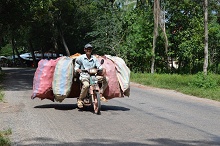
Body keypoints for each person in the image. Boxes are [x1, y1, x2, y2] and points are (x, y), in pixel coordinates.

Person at [74, 43, 108, 108]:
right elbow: (76, 66)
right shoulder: (80, 58)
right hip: (84, 76)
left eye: (90, 49)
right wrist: (78, 70)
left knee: (106, 79)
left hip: (93, 76)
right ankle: (80, 100)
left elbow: (99, 65)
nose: (88, 50)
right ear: (84, 50)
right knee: (86, 85)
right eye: (87, 49)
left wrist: (100, 69)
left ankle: (100, 94)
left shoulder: (94, 58)